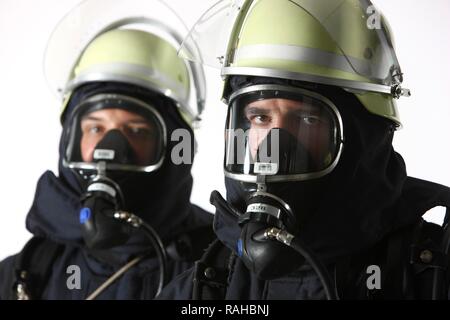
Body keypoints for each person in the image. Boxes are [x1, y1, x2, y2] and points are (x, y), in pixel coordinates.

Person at [160, 0, 450, 300]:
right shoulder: (204, 287)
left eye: (307, 119)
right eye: (261, 118)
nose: (277, 143)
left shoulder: (430, 276)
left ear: (363, 135)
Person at [0, 0, 214, 300]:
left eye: (136, 131)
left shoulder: (221, 269)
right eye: (96, 128)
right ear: (71, 140)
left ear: (174, 145)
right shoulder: (25, 273)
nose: (111, 150)